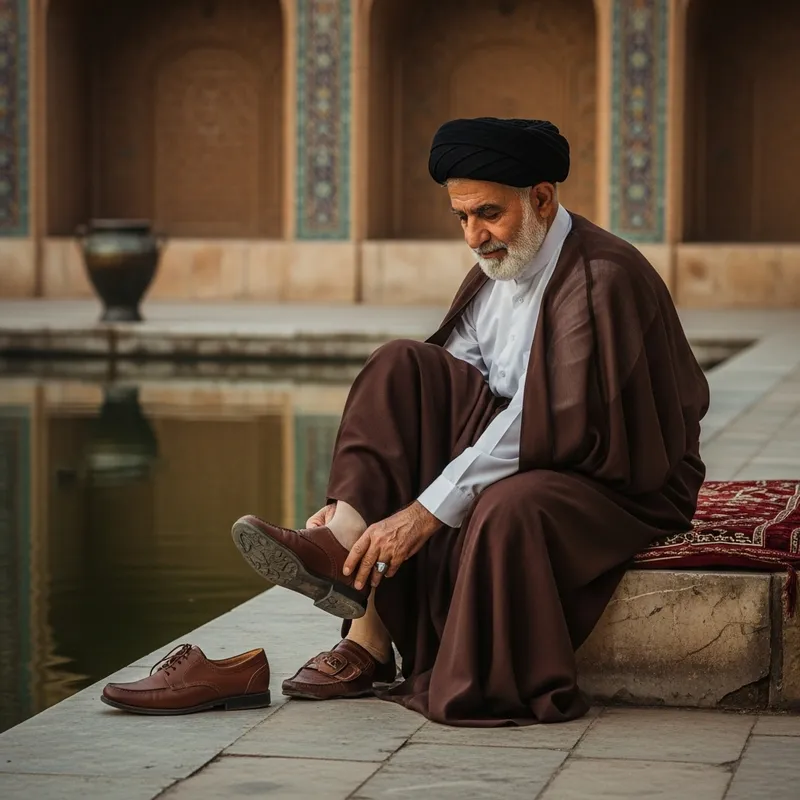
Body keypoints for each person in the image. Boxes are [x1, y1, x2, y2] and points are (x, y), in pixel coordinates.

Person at [231, 117, 710, 727]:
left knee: (503, 509)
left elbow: (548, 418)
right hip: (538, 442)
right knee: (399, 366)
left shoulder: (601, 277)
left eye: (488, 213)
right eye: (461, 217)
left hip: (617, 473)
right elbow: (453, 378)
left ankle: (421, 649)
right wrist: (364, 498)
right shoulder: (503, 264)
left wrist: (426, 511)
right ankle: (351, 568)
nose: (474, 236)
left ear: (541, 199)